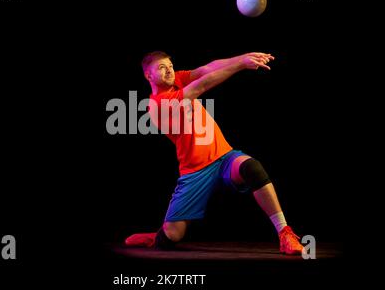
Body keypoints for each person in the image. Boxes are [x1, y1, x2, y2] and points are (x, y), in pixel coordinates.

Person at [125, 51, 304, 255]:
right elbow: (202, 85)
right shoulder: (158, 104)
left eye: (170, 65)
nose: (169, 70)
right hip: (194, 171)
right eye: (162, 68)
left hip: (223, 157)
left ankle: (285, 233)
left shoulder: (178, 80)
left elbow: (206, 70)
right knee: (171, 237)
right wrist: (241, 65)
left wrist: (243, 57)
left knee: (252, 167)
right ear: (149, 76)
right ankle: (158, 234)